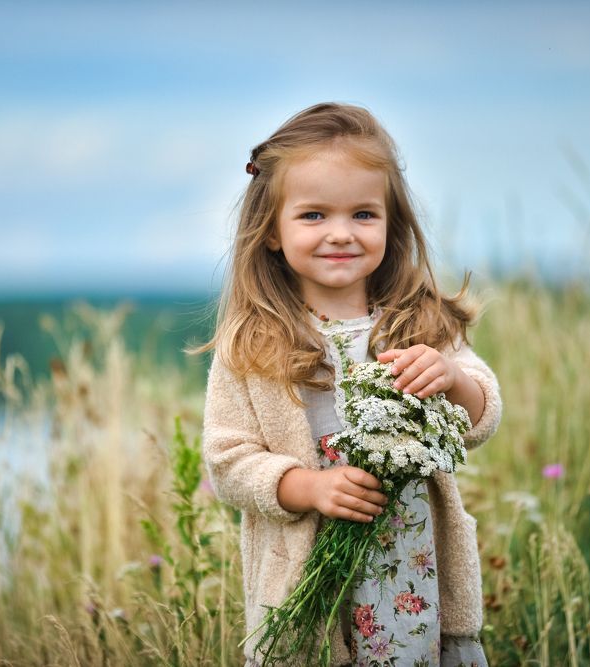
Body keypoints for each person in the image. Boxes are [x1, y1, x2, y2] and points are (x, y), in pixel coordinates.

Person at [196, 102, 502, 666]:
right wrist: (306, 488)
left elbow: (481, 414)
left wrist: (453, 379)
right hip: (310, 574)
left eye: (363, 214)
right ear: (271, 231)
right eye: (314, 216)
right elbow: (227, 460)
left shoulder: (417, 321)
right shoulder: (253, 344)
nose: (341, 234)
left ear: (391, 224)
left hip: (413, 570)